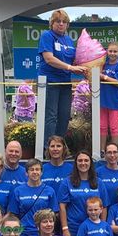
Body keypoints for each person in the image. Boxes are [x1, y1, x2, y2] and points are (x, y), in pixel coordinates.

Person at [38, 9, 86, 145]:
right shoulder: (47, 36)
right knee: (51, 116)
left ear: (67, 25)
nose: (61, 24)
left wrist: (85, 68)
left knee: (64, 116)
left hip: (65, 83)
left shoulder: (69, 40)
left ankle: (59, 147)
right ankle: (49, 148)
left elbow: (75, 61)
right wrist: (70, 68)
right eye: (58, 21)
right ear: (52, 23)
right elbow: (49, 59)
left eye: (64, 22)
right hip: (50, 82)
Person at [8, 158, 57, 236]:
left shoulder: (49, 191)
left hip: (43, 235)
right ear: (26, 173)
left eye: (37, 169)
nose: (35, 172)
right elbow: (13, 214)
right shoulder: (18, 191)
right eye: (32, 170)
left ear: (41, 172)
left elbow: (54, 214)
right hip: (24, 235)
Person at [60, 151, 102, 236]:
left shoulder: (98, 182)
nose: (83, 163)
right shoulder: (67, 182)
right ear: (76, 163)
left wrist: (102, 227)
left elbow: (103, 207)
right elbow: (62, 207)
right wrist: (65, 229)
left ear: (91, 163)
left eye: (86, 160)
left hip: (94, 230)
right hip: (73, 230)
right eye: (80, 160)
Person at [97, 43, 118, 149]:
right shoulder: (103, 65)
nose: (112, 54)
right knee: (102, 127)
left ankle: (114, 150)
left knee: (114, 128)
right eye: (110, 51)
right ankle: (101, 150)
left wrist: (104, 77)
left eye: (115, 51)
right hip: (102, 100)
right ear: (106, 51)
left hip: (114, 101)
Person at [39, 135, 74, 201]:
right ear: (48, 149)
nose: (55, 149)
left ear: (64, 148)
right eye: (52, 146)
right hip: (46, 209)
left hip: (67, 208)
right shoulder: (42, 169)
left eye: (58, 146)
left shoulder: (71, 169)